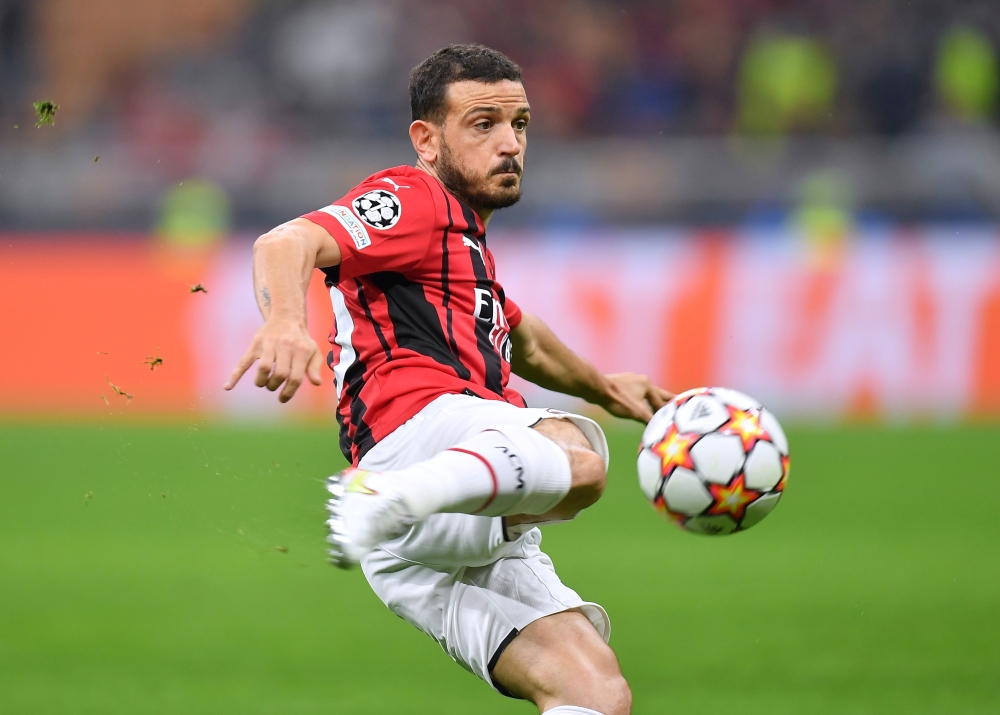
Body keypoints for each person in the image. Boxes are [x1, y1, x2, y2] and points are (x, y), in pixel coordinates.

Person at [224, 44, 672, 715]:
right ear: (427, 140)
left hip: (413, 546)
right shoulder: (413, 197)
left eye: (519, 125)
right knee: (579, 460)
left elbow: (523, 339)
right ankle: (387, 494)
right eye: (483, 124)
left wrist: (605, 387)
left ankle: (388, 501)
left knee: (592, 688)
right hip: (417, 437)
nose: (510, 144)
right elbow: (286, 241)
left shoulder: (465, 249)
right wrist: (287, 320)